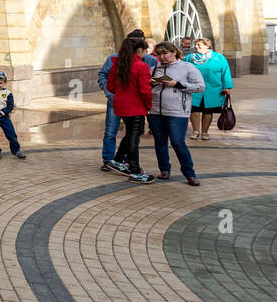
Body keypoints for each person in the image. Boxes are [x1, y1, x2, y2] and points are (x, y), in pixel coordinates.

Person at [98, 29, 159, 167]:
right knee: (118, 132)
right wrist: (111, 94)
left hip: (125, 101)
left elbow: (113, 83)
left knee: (133, 134)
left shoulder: (150, 61)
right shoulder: (117, 59)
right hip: (130, 102)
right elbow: (105, 77)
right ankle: (120, 163)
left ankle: (120, 160)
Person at [147, 41, 205, 185]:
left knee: (177, 142)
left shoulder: (187, 67)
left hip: (177, 112)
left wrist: (177, 84)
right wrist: (151, 83)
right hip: (155, 111)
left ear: (174, 52)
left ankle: (189, 173)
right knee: (160, 142)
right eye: (159, 54)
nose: (162, 57)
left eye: (165, 53)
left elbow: (200, 87)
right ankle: (164, 170)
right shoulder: (154, 69)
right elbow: (144, 87)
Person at [185, 37, 233, 140]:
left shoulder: (218, 58)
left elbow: (226, 72)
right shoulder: (190, 58)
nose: (196, 47)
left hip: (213, 90)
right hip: (194, 89)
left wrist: (227, 87)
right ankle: (195, 131)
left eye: (199, 45)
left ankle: (205, 132)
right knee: (194, 110)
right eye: (196, 45)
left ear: (207, 46)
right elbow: (183, 71)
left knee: (208, 111)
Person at [0, 71, 26, 160]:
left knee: (12, 135)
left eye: (0, 83)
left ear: (5, 83)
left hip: (4, 118)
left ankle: (16, 150)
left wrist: (0, 113)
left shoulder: (8, 93)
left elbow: (10, 106)